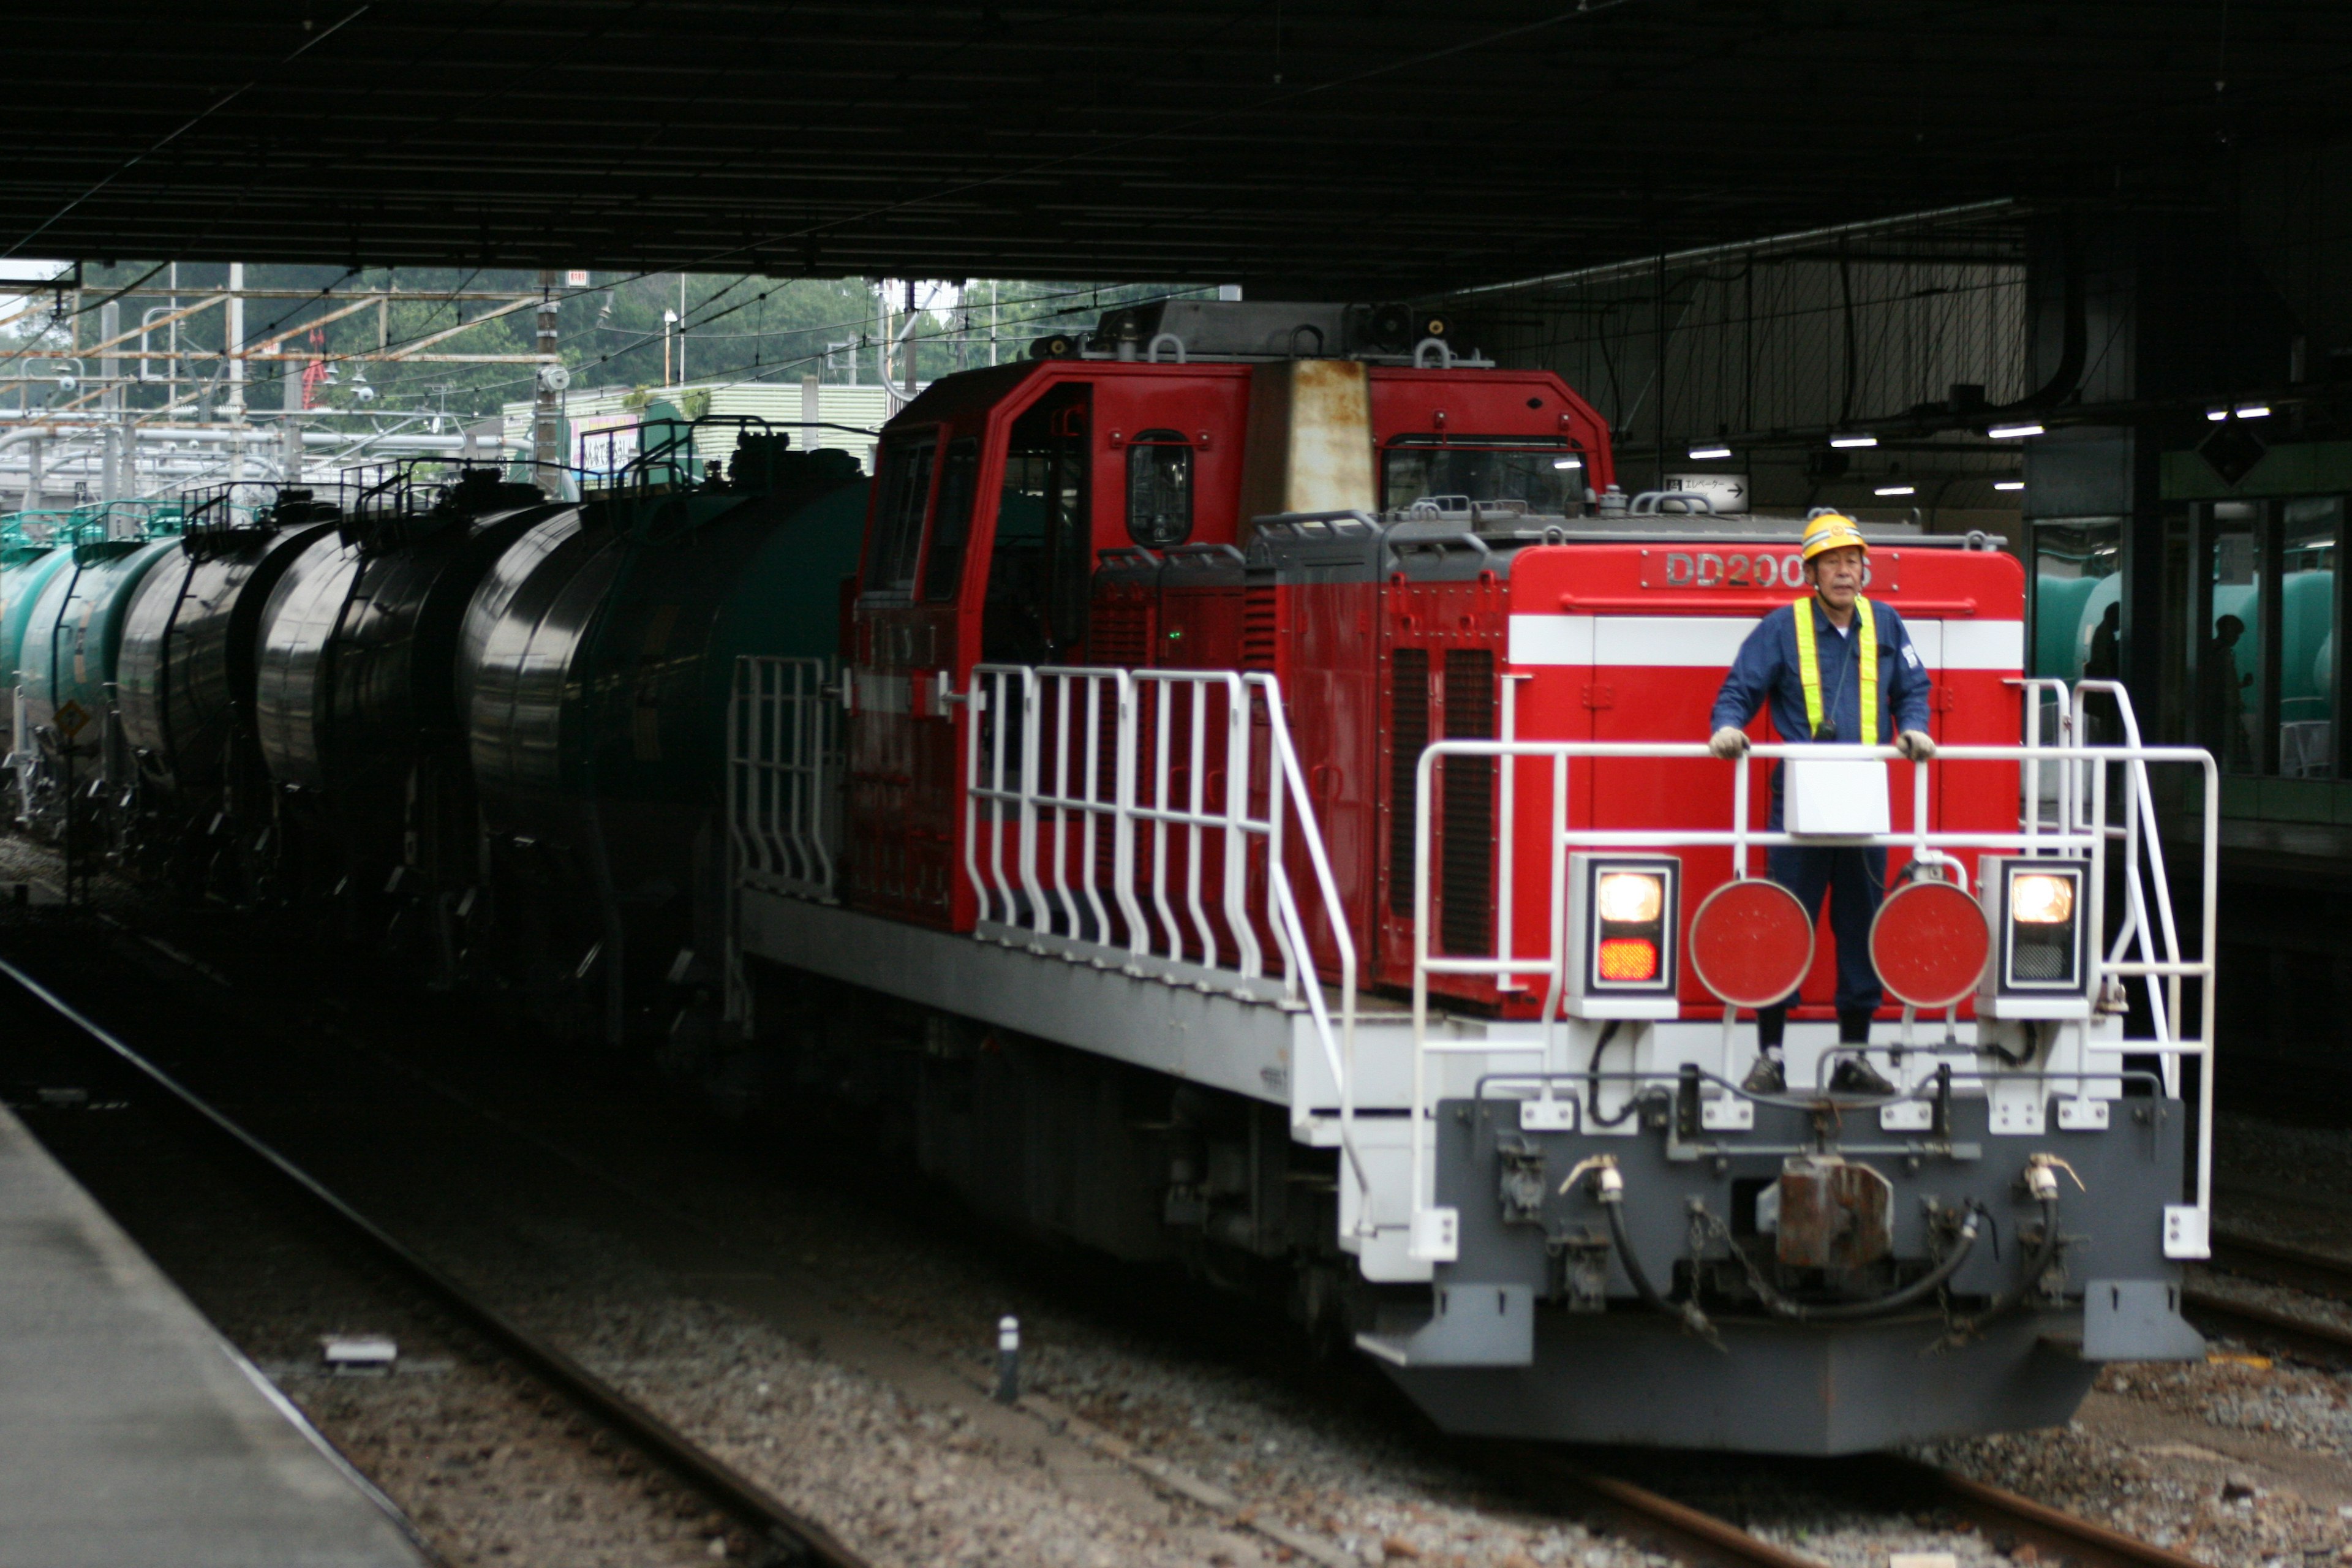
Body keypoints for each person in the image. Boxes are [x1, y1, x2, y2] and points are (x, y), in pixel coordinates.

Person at [1707, 513, 1937, 1095]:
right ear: (1810, 572)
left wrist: (1912, 728)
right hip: (1802, 801)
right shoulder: (1782, 627)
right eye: (1832, 563)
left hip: (1864, 796)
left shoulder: (1886, 622)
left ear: (1865, 569)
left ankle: (1854, 1058)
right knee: (1785, 925)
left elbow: (1914, 688)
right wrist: (1728, 729)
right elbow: (1739, 688)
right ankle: (1772, 1058)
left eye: (1852, 561)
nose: (1844, 571)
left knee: (1861, 926)